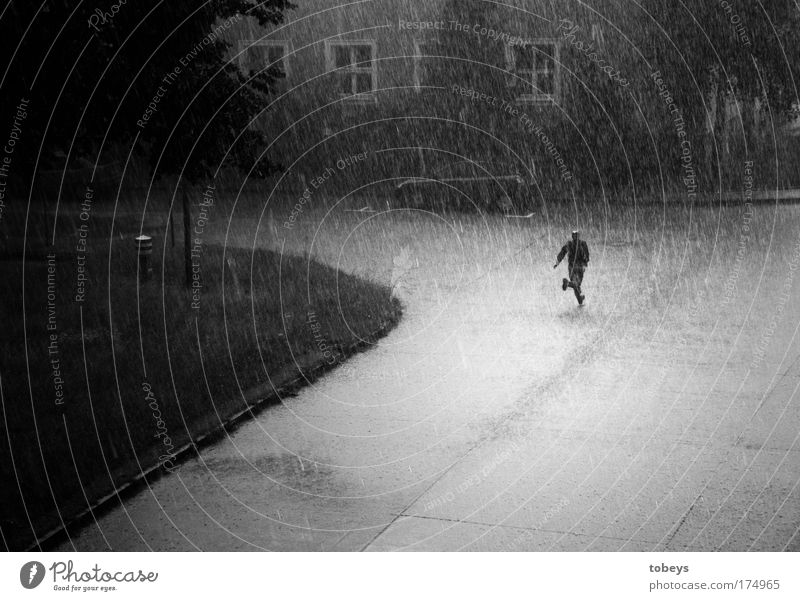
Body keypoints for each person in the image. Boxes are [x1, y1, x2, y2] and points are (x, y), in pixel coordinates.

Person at [553, 230, 590, 305]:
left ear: (572, 236)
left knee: (575, 284)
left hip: (571, 267)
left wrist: (557, 262)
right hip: (580, 266)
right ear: (578, 236)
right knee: (577, 284)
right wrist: (585, 263)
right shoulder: (583, 244)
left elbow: (562, 253)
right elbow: (586, 256)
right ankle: (568, 284)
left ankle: (579, 299)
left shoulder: (569, 244)